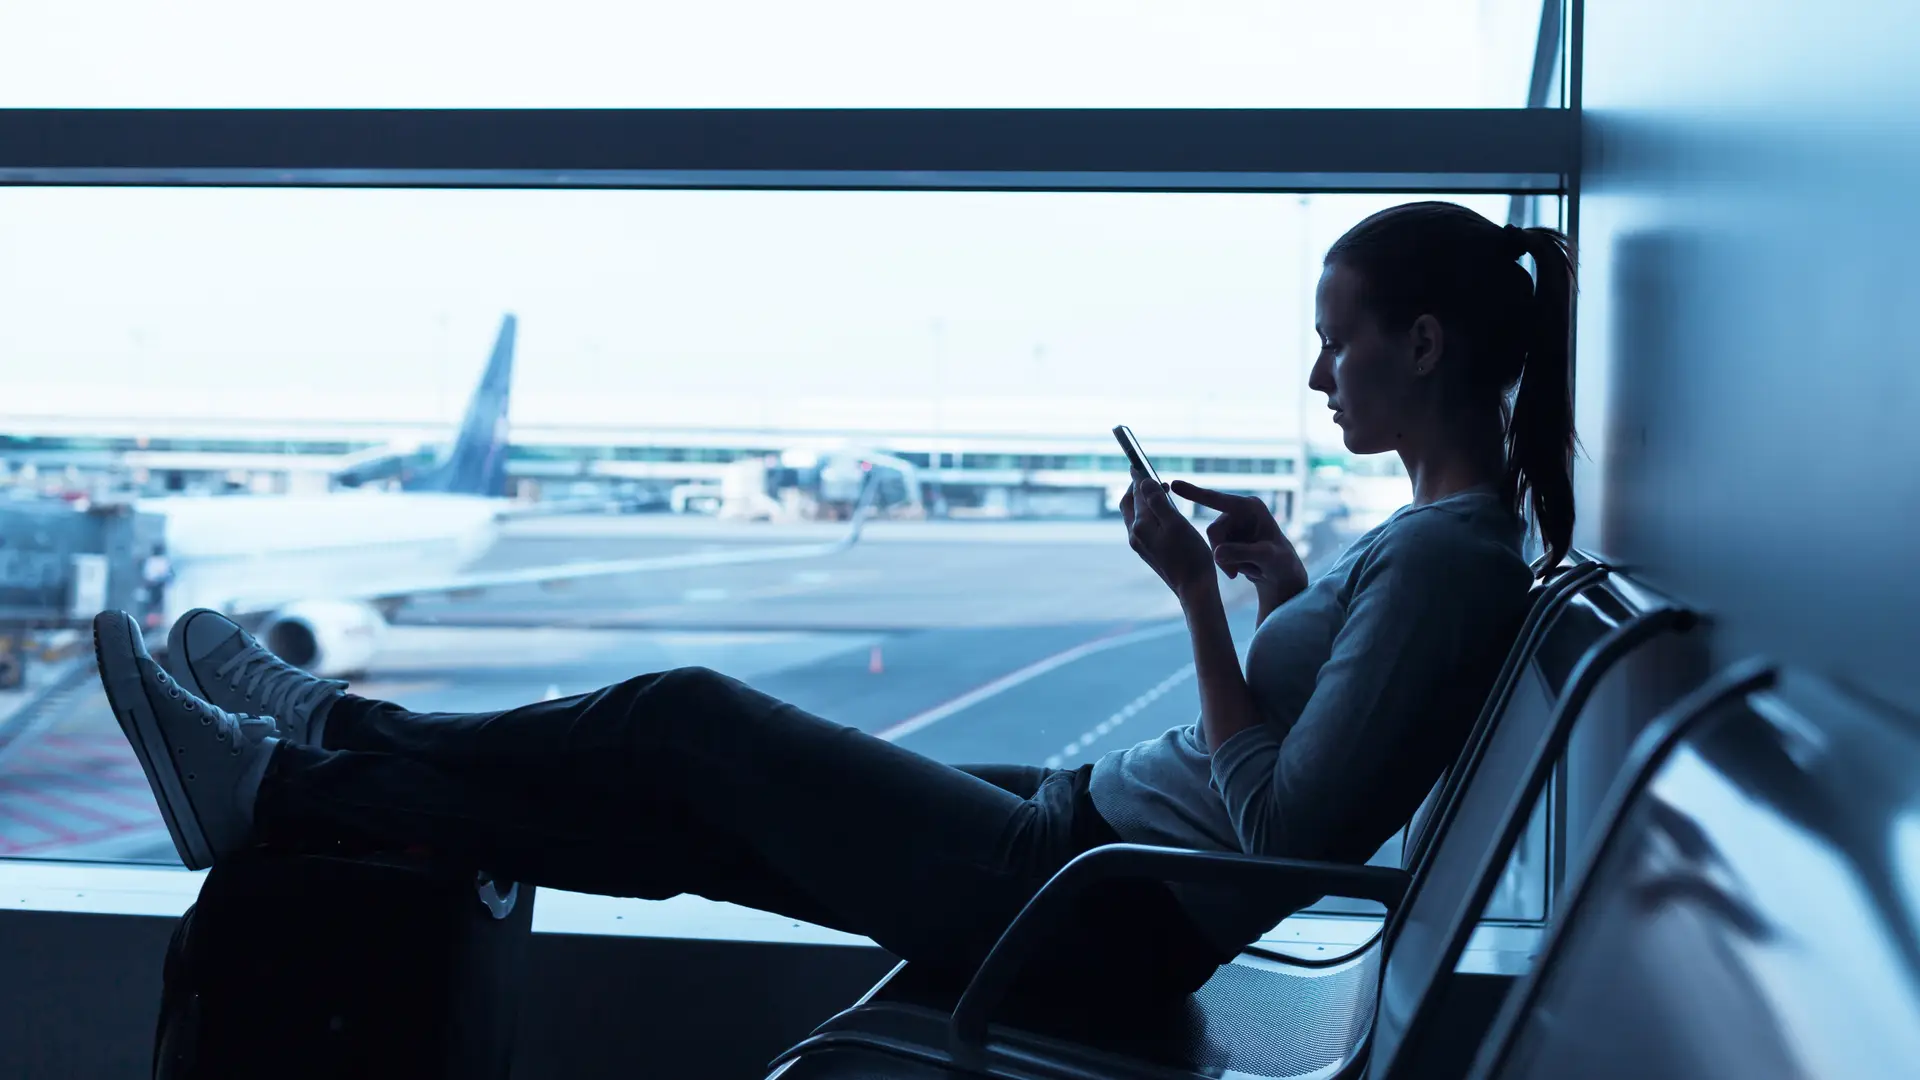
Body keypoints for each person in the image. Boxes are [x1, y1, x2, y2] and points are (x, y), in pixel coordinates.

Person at [94, 201, 1575, 1009]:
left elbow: (1289, 835)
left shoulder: (1451, 559)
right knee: (683, 805)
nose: (1318, 379)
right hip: (1089, 857)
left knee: (683, 721)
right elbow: (1309, 759)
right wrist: (1281, 589)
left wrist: (1197, 601)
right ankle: (302, 781)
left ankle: (306, 750)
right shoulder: (1441, 543)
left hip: (1090, 912)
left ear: (1425, 345)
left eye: (1337, 344)